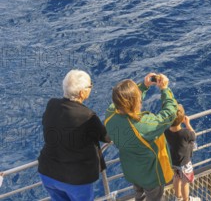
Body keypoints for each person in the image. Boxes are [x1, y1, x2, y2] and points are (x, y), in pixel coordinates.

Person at [37, 69, 111, 201]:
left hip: (48, 172)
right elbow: (106, 137)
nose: (91, 88)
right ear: (82, 93)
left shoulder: (51, 104)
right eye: (90, 86)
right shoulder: (88, 116)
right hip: (75, 180)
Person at [105, 73, 177, 201]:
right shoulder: (143, 125)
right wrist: (165, 89)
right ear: (135, 101)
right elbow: (170, 114)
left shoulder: (110, 114)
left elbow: (126, 102)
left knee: (139, 195)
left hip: (132, 170)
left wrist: (144, 86)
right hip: (150, 175)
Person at [164, 104, 200, 201]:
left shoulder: (166, 132)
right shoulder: (185, 133)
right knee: (185, 182)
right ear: (182, 119)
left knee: (176, 177)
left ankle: (178, 197)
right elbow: (194, 135)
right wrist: (188, 124)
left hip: (173, 161)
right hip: (185, 163)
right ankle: (186, 199)